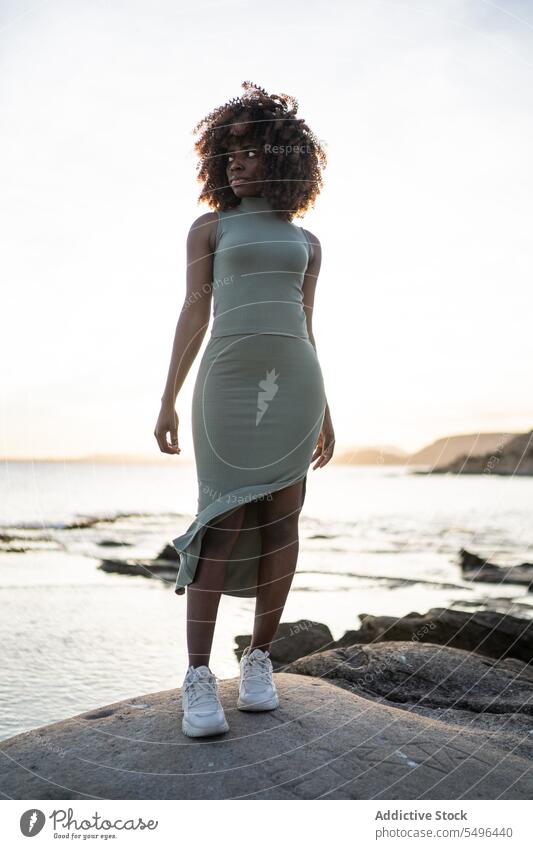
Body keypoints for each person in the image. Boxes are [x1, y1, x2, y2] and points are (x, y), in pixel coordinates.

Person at [154, 81, 335, 737]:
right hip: (225, 382)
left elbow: (306, 324)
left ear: (283, 158)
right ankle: (198, 674)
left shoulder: (308, 243)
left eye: (250, 149)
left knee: (283, 525)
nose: (235, 161)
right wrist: (167, 398)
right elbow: (194, 309)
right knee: (220, 522)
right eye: (227, 151)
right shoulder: (210, 227)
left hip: (296, 384)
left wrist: (326, 408)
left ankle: (258, 661)